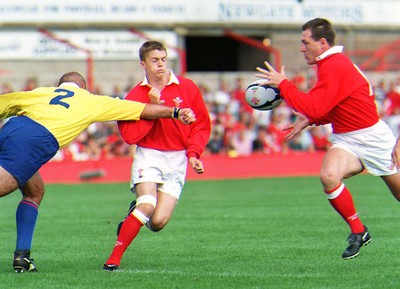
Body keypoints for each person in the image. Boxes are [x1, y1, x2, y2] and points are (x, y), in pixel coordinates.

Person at [0, 71, 196, 273]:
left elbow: (4, 102)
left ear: (59, 86)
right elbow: (142, 109)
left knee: (35, 191)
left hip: (11, 128)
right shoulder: (90, 101)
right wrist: (174, 112)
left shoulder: (40, 92)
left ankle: (22, 257)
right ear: (83, 88)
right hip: (35, 141)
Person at [255, 17, 400, 260]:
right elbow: (332, 107)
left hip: (373, 139)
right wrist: (312, 119)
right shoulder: (329, 64)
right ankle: (359, 231)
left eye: (305, 42)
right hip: (346, 139)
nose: (302, 48)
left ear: (322, 43)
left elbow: (314, 106)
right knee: (329, 177)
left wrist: (284, 86)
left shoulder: (335, 65)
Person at [102, 40, 211, 271]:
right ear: (143, 64)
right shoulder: (136, 94)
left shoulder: (187, 87)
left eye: (163, 59)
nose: (160, 64)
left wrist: (194, 154)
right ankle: (113, 260)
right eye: (154, 60)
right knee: (148, 204)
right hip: (149, 154)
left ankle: (133, 217)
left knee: (158, 222)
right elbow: (130, 136)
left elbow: (201, 125)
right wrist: (152, 111)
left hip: (178, 158)